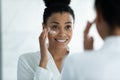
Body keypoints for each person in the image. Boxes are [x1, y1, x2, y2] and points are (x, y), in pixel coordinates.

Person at [61, 0, 120, 80]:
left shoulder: (74, 63)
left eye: (68, 27)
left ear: (99, 15)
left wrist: (87, 59)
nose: (62, 34)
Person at [17, 0, 75, 80]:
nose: (62, 34)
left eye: (67, 27)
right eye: (55, 27)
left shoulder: (79, 61)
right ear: (44, 27)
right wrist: (43, 61)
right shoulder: (26, 61)